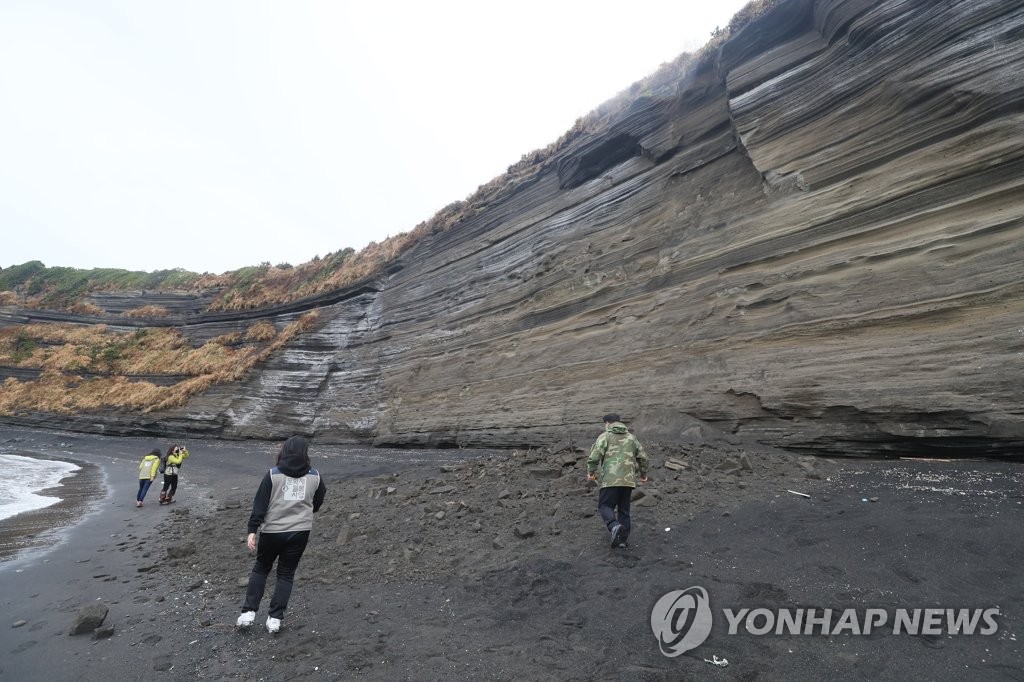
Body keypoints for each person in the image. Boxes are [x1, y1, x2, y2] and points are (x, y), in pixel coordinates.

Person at [237, 435, 327, 634]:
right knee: (286, 574)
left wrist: (252, 530)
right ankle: (275, 618)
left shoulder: (273, 474)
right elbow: (318, 501)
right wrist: (306, 511)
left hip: (273, 531)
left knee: (261, 568)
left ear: (284, 451)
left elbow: (260, 504)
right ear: (305, 452)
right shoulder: (315, 475)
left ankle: (248, 613)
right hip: (300, 531)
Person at [586, 413, 649, 548]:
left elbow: (594, 456)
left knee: (605, 506)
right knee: (624, 510)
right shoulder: (632, 438)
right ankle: (622, 541)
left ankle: (614, 526)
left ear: (607, 423)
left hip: (610, 480)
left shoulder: (605, 436)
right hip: (628, 481)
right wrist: (643, 474)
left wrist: (591, 472)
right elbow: (643, 458)